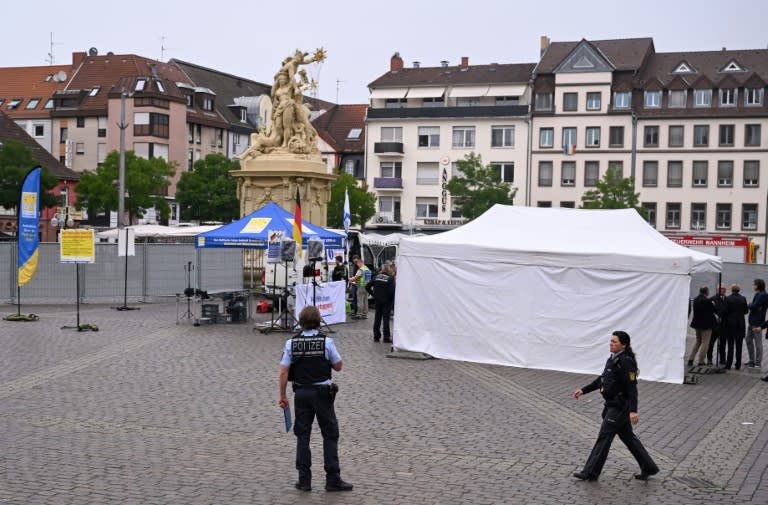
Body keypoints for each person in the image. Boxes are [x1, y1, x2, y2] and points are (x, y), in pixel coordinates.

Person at [278, 306, 353, 492]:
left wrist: (283, 396)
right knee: (330, 434)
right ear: (319, 321)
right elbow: (338, 366)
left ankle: (304, 480)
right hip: (322, 393)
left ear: (300, 322)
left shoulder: (291, 343)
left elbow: (283, 372)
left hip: (301, 393)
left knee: (302, 436)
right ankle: (332, 478)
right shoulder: (326, 342)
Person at [572, 331, 659, 481]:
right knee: (628, 437)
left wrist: (633, 411)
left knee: (604, 437)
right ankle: (649, 467)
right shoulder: (612, 359)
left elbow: (632, 387)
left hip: (619, 407)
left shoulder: (626, 361)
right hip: (611, 405)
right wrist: (584, 390)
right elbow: (603, 379)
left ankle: (591, 472)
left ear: (623, 345)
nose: (611, 344)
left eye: (614, 342)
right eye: (610, 341)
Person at [365, 263, 396, 343]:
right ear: (388, 269)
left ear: (382, 269)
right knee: (386, 319)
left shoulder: (376, 277)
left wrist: (373, 294)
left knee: (377, 318)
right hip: (387, 302)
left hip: (378, 301)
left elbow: (367, 286)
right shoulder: (390, 278)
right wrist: (392, 300)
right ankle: (386, 337)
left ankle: (376, 336)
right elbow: (393, 292)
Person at [688, 286, 717, 367]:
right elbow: (714, 310)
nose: (709, 292)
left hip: (697, 324)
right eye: (708, 290)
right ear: (706, 292)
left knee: (698, 341)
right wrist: (713, 304)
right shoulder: (707, 301)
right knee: (705, 343)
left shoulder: (696, 299)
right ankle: (701, 361)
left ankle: (691, 359)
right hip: (706, 325)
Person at [723, 284, 748, 370]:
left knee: (730, 345)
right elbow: (746, 311)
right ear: (739, 290)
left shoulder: (728, 299)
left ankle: (728, 364)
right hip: (740, 324)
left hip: (730, 324)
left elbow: (725, 312)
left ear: (731, 289)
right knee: (739, 346)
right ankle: (738, 364)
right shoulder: (743, 298)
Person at [746, 278, 768, 369]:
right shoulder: (758, 294)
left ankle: (757, 363)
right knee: (748, 340)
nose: (753, 285)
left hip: (757, 322)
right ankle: (751, 360)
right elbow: (755, 307)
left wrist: (749, 304)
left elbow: (754, 306)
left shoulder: (763, 295)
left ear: (758, 285)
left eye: (754, 284)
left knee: (758, 343)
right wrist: (753, 306)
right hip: (752, 321)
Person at [707, 285, 728, 366]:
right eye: (722, 289)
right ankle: (709, 359)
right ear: (717, 290)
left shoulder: (727, 299)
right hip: (714, 325)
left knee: (723, 343)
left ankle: (722, 359)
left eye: (724, 289)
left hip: (724, 325)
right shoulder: (712, 299)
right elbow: (709, 311)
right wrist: (715, 316)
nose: (724, 290)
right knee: (711, 343)